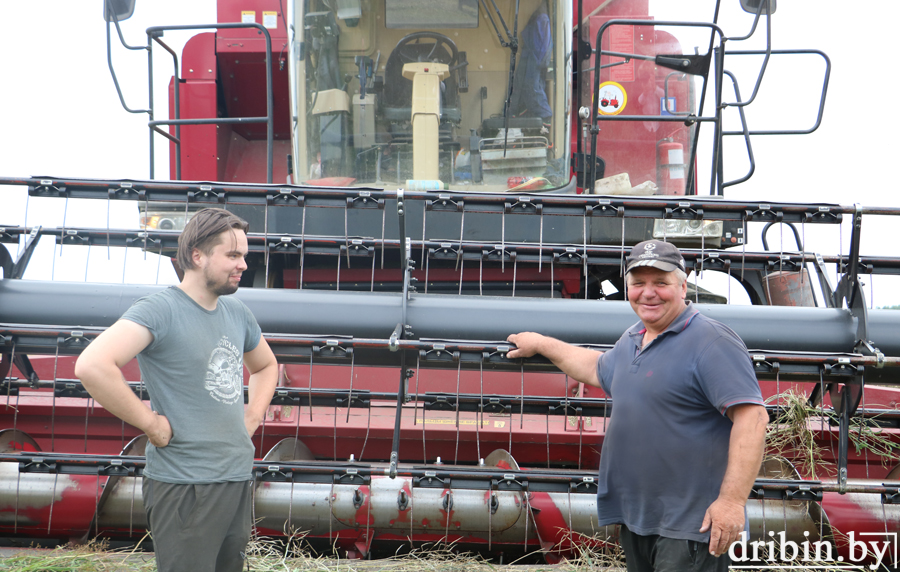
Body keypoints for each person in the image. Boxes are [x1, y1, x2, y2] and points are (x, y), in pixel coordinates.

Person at [507, 239, 767, 572]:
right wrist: (541, 344)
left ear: (683, 286)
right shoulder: (633, 338)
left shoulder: (711, 341)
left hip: (691, 526)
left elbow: (753, 418)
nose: (648, 293)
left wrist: (731, 503)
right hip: (640, 521)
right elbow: (594, 367)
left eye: (661, 283)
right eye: (638, 283)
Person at [75, 208, 279, 572]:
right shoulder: (160, 310)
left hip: (234, 477)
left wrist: (252, 415)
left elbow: (265, 366)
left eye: (244, 256)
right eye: (233, 255)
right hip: (186, 485)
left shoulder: (236, 312)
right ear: (197, 255)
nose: (243, 265)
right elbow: (92, 366)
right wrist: (151, 425)